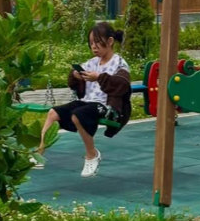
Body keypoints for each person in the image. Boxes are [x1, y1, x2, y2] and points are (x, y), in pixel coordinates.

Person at [35, 22, 132, 177]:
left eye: (97, 42)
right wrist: (76, 75)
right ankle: (38, 153)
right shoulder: (92, 62)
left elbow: (122, 85)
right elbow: (73, 79)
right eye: (91, 43)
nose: (94, 47)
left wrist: (99, 77)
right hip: (87, 102)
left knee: (78, 115)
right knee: (53, 113)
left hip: (106, 106)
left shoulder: (119, 63)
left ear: (110, 41)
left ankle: (92, 155)